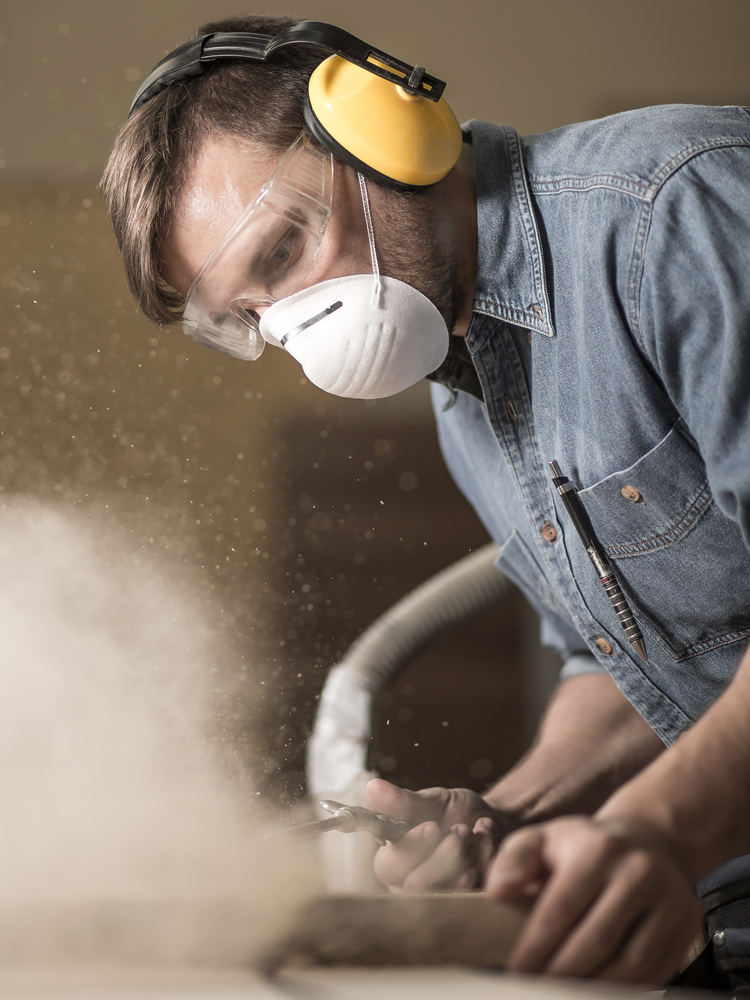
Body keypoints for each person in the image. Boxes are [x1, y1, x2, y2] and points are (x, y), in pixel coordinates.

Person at [99, 14, 750, 985]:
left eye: (280, 254)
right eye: (249, 316)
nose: (294, 330)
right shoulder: (467, 397)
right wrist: (505, 817)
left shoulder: (670, 215)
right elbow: (631, 662)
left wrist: (656, 827)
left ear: (383, 132)